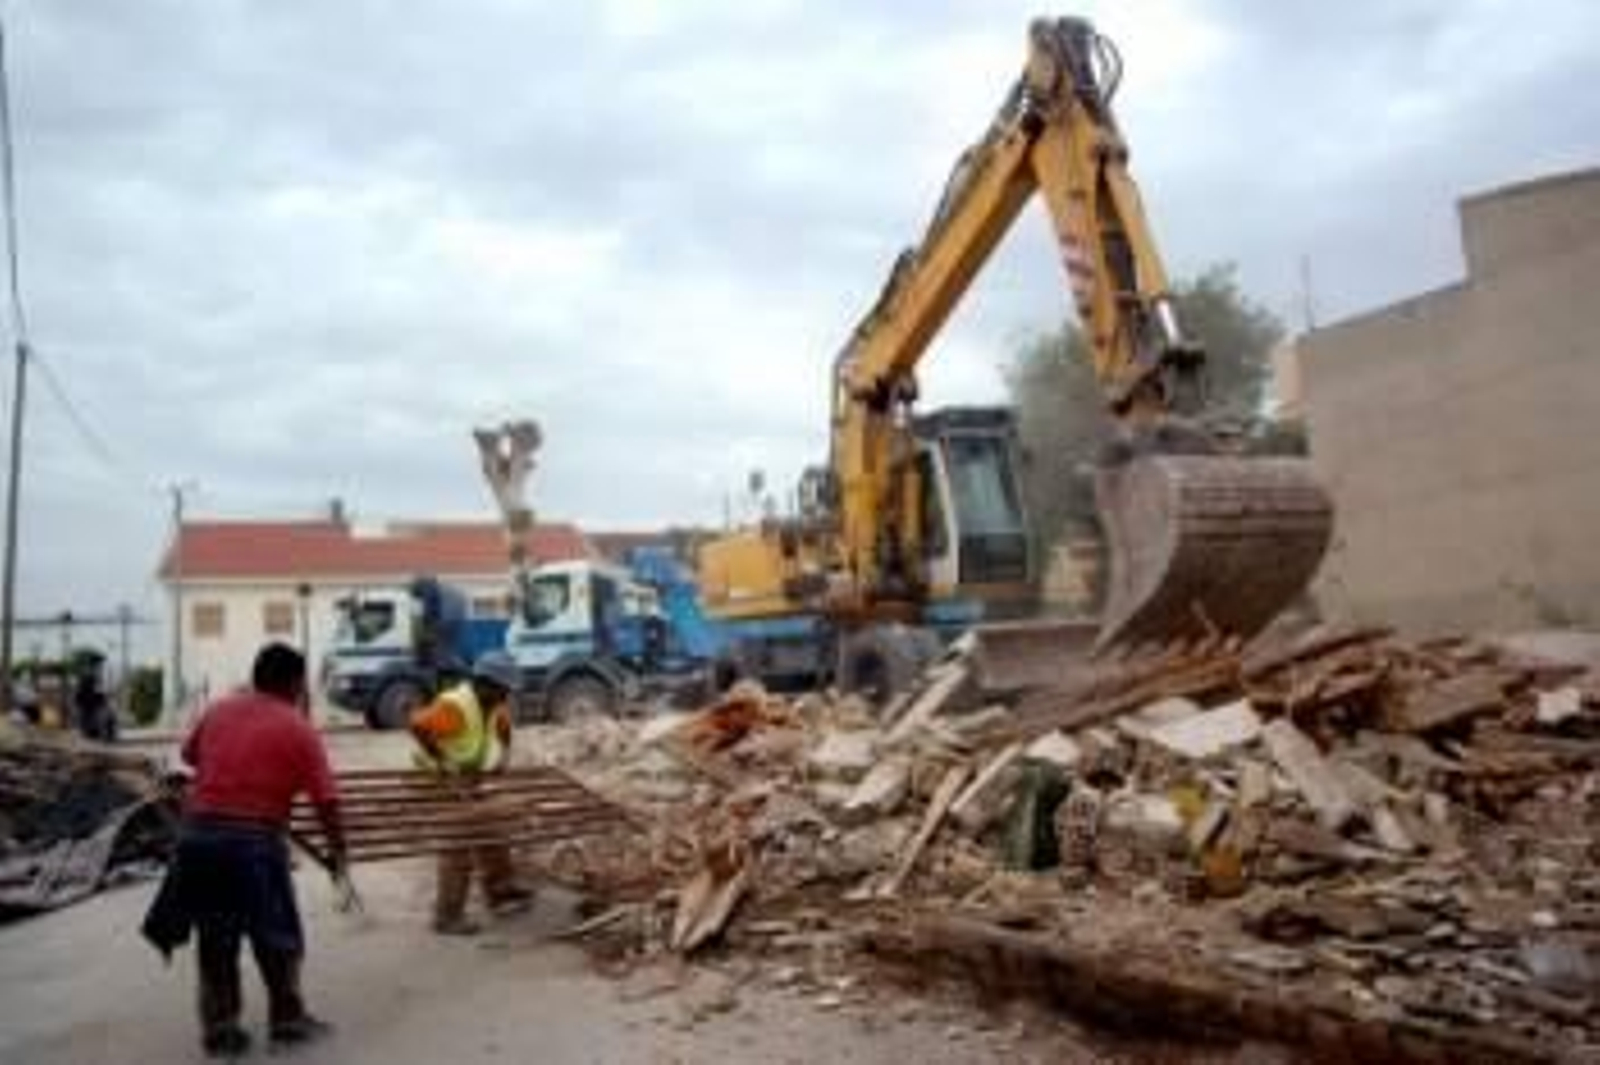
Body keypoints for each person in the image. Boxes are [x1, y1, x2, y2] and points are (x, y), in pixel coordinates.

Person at [141, 642, 346, 1058]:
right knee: (278, 935)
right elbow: (327, 802)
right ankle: (287, 1021)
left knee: (217, 938)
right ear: (293, 683)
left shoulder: (219, 709)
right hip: (253, 844)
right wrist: (338, 853)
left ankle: (221, 1030)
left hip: (198, 840)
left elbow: (190, 756)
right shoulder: (298, 728)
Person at [409, 651, 533, 935]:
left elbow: (503, 728)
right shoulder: (454, 705)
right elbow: (418, 725)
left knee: (492, 829)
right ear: (484, 683)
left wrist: (504, 757)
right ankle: (447, 916)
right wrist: (442, 763)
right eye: (504, 689)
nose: (507, 696)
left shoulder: (492, 704)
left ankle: (501, 892)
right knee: (458, 842)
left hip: (470, 776)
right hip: (437, 779)